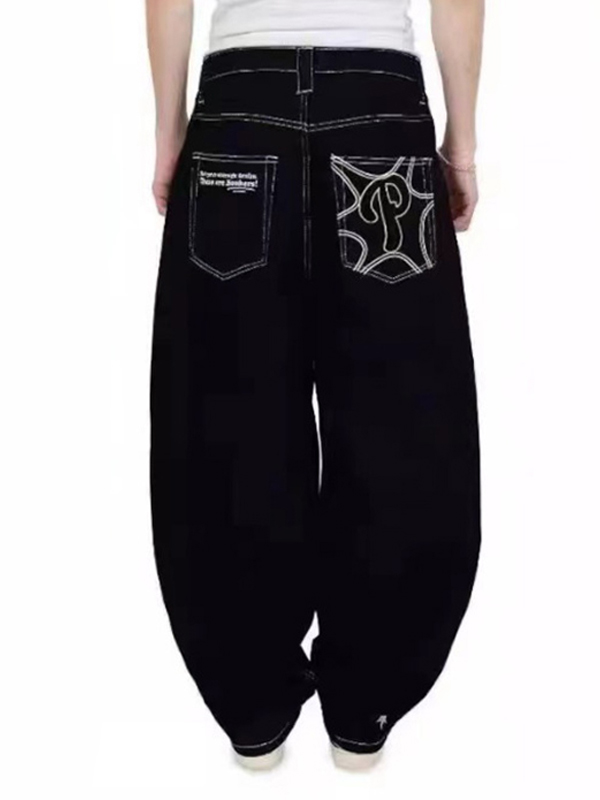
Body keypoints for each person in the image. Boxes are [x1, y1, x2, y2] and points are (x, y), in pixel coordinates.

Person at [146, 0, 483, 772]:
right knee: (403, 421)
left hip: (237, 111)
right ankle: (368, 707)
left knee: (226, 419)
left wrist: (169, 133)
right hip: (380, 119)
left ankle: (251, 709)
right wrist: (460, 141)